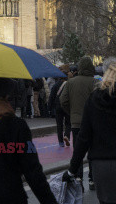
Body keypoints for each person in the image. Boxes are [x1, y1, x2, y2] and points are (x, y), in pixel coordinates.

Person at [63, 58, 116, 203]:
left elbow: (84, 138)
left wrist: (72, 169)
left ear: (105, 74)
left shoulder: (94, 99)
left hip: (101, 163)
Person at [60, 55, 97, 187]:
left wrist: (72, 113)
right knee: (92, 151)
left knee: (78, 150)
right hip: (93, 123)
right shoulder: (95, 83)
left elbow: (63, 101)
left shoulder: (71, 82)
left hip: (76, 122)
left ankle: (79, 176)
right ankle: (92, 178)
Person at [48, 69, 71, 147]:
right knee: (68, 123)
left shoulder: (55, 85)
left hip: (58, 107)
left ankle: (61, 142)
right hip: (67, 106)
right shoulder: (69, 84)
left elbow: (51, 97)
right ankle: (67, 135)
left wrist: (49, 108)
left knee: (59, 125)